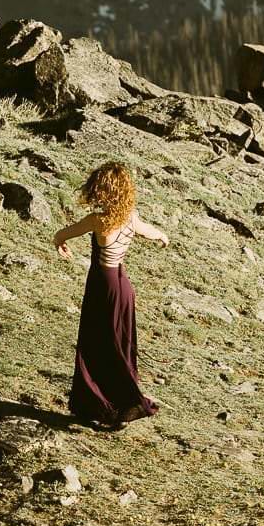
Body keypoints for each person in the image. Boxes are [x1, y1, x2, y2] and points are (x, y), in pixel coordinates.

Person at [53, 161, 169, 428]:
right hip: (123, 286)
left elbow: (63, 233)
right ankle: (121, 403)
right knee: (119, 345)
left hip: (103, 286)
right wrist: (162, 235)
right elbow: (149, 231)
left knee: (97, 344)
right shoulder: (130, 216)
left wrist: (60, 243)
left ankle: (108, 405)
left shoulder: (98, 220)